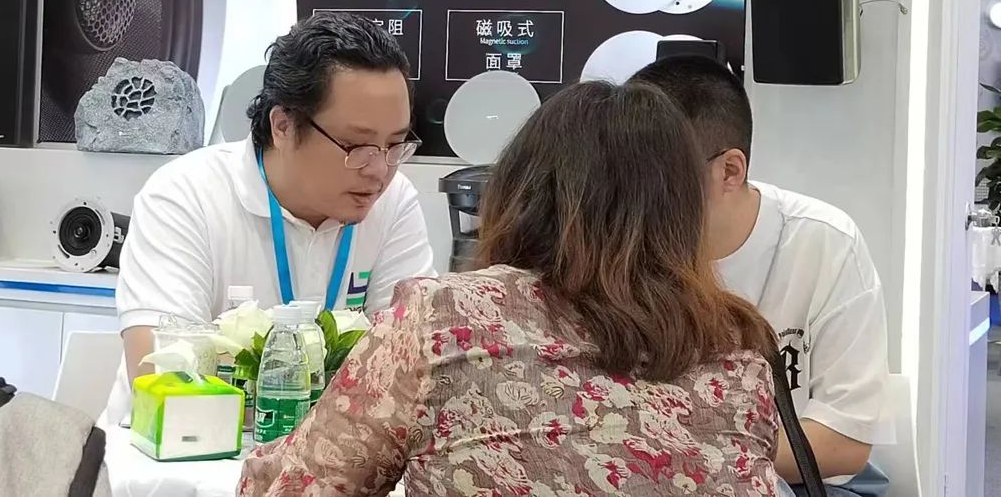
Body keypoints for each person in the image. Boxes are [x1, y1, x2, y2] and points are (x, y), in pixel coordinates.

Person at [239, 81, 782, 497]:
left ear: (521, 189)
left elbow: (297, 487)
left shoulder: (444, 315)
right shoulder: (738, 345)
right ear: (684, 211)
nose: (376, 170)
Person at [107, 12, 435, 420]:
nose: (379, 170)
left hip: (334, 454)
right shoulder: (185, 195)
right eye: (356, 146)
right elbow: (162, 376)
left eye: (395, 146)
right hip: (186, 453)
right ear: (283, 125)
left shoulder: (394, 201)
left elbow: (413, 369)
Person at [631, 56, 891, 497]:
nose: (635, 195)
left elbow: (844, 442)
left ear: (730, 170)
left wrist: (696, 457)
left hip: (795, 481)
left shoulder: (824, 243)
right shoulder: (613, 245)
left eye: (656, 176)